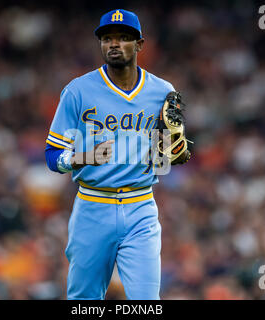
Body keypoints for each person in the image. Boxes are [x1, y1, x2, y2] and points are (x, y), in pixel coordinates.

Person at [45, 9, 189, 300]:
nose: (114, 44)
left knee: (146, 302)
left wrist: (175, 148)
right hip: (92, 205)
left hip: (140, 206)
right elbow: (52, 156)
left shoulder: (162, 91)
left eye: (123, 38)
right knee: (84, 300)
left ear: (139, 45)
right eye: (107, 38)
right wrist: (83, 157)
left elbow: (164, 160)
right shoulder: (78, 91)